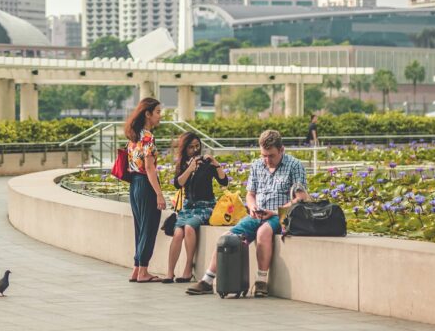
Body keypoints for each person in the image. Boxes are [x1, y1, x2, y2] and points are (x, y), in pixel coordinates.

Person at [187, 129, 308, 297]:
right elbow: (250, 194)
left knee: (263, 232)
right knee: (227, 238)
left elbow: (301, 198)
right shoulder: (258, 164)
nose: (267, 160)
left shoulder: (295, 165)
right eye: (264, 155)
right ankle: (207, 280)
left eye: (271, 156)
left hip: (280, 215)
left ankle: (261, 282)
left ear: (281, 150)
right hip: (257, 213)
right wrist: (252, 207)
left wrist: (272, 212)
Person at [164, 131, 228, 284]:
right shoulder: (183, 164)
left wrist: (215, 163)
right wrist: (190, 168)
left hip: (205, 206)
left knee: (189, 227)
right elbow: (178, 183)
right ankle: (169, 273)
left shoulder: (207, 163)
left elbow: (224, 182)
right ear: (185, 148)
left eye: (197, 146)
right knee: (178, 233)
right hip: (188, 206)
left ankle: (188, 270)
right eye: (191, 147)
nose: (195, 150)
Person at [124, 97, 166, 283]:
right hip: (146, 184)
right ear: (148, 114)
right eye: (157, 112)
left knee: (139, 228)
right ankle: (143, 272)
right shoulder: (148, 137)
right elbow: (150, 168)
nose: (160, 116)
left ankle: (136, 269)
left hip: (134, 185)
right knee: (149, 228)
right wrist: (159, 193)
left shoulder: (134, 136)